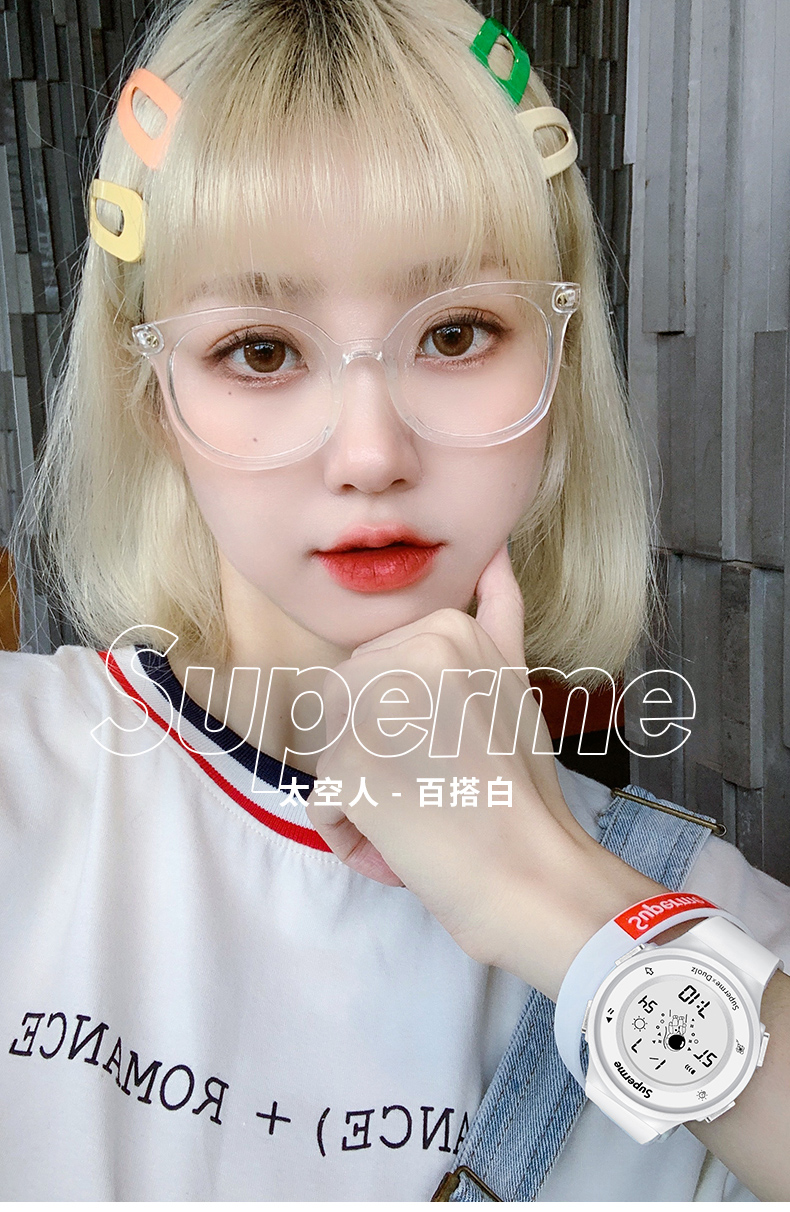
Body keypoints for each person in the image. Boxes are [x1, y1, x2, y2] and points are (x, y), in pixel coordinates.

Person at [1, 0, 789, 1200]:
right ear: (152, 393)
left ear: (560, 360)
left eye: (457, 333)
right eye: (260, 350)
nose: (370, 454)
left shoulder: (719, 929)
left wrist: (558, 901)